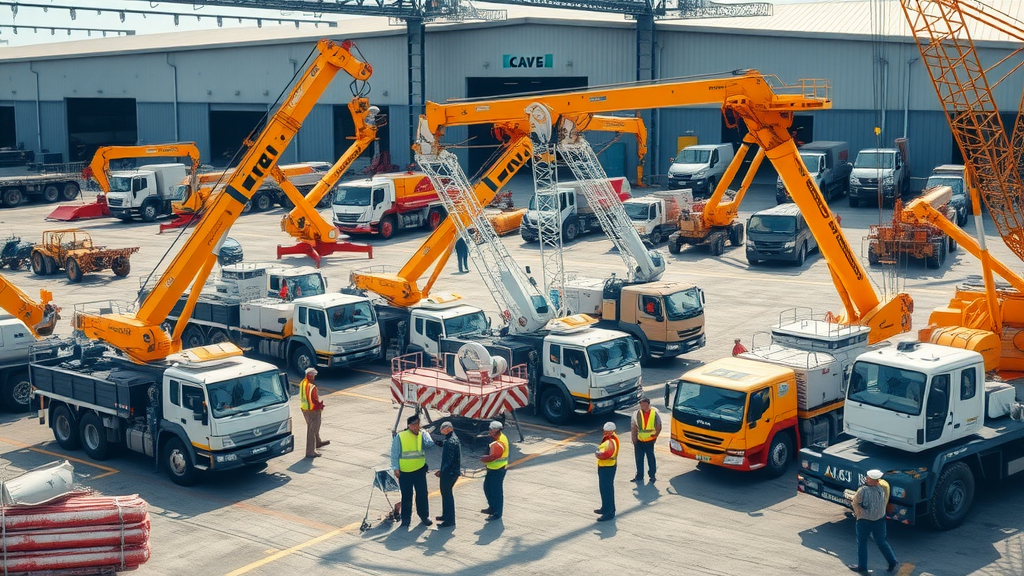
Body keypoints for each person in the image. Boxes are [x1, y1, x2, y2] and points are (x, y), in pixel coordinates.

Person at [847, 469, 899, 574]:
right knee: (881, 541)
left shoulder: (863, 490)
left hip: (865, 520)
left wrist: (859, 514)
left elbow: (855, 503)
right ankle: (892, 560)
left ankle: (862, 567)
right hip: (880, 520)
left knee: (862, 543)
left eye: (868, 477)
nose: (866, 478)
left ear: (871, 480)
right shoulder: (881, 490)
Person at [391, 414, 436, 527]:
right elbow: (394, 454)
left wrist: (426, 434)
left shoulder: (421, 435)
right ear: (409, 425)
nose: (417, 427)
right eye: (415, 425)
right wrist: (395, 468)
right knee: (407, 495)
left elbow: (430, 445)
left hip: (419, 470)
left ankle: (424, 516)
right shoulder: (400, 436)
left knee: (422, 494)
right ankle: (406, 518)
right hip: (405, 472)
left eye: (418, 424)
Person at [479, 420, 509, 522]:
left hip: (498, 470)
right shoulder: (499, 438)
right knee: (487, 488)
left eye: (491, 430)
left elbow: (494, 456)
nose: (489, 432)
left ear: (496, 431)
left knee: (496, 492)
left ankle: (497, 513)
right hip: (492, 469)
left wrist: (484, 459)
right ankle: (492, 507)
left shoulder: (499, 443)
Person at [434, 421, 461, 528]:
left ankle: (449, 520)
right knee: (445, 494)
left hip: (449, 472)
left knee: (447, 494)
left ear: (448, 429)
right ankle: (446, 515)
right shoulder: (452, 439)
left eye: (442, 429)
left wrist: (441, 471)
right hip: (452, 472)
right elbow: (444, 444)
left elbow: (448, 460)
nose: (441, 431)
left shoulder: (451, 441)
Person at [299, 367, 329, 458]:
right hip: (313, 410)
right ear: (310, 375)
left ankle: (318, 442)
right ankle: (310, 451)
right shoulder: (312, 387)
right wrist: (320, 406)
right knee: (312, 429)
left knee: (312, 428)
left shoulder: (303, 383)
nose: (314, 377)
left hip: (305, 409)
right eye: (313, 375)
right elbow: (314, 400)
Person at [630, 396, 661, 483]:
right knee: (639, 459)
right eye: (641, 404)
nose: (642, 406)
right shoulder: (637, 413)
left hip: (649, 441)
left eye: (644, 404)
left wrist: (655, 436)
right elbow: (634, 427)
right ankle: (639, 476)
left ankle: (652, 475)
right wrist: (634, 440)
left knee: (651, 459)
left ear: (648, 404)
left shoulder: (654, 414)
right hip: (639, 441)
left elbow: (659, 426)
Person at [595, 422, 620, 522]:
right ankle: (605, 507)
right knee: (604, 489)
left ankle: (609, 512)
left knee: (607, 490)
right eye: (605, 432)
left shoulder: (611, 441)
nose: (605, 433)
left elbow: (606, 454)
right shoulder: (611, 439)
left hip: (607, 468)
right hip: (606, 467)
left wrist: (598, 454)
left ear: (612, 431)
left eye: (608, 432)